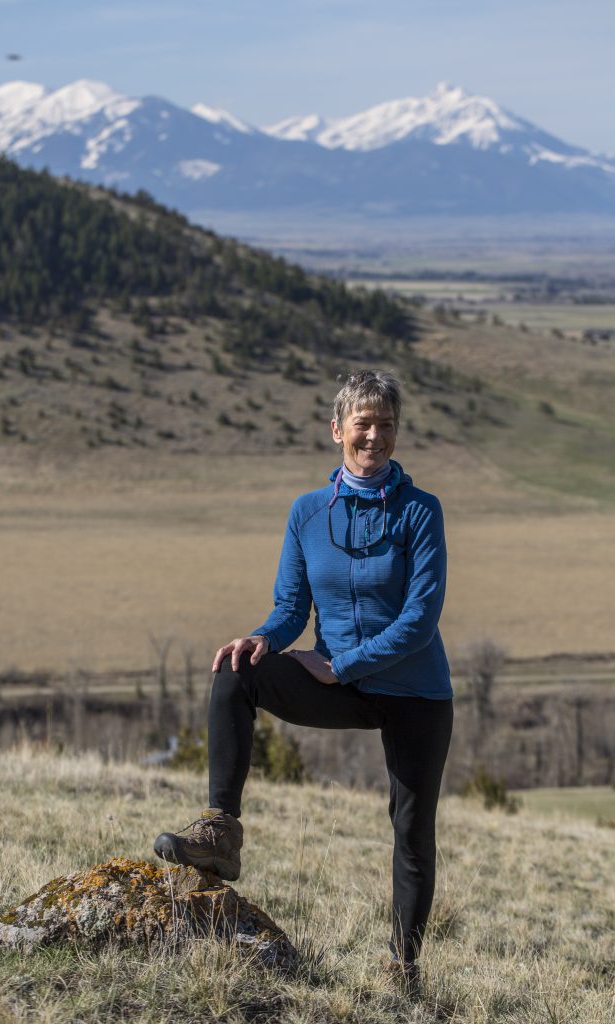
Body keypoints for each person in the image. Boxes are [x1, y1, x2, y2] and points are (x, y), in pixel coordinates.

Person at [154, 370, 453, 989]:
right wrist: (262, 637)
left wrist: (341, 663)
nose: (374, 436)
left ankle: (404, 965)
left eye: (386, 425)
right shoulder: (307, 512)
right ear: (337, 429)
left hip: (414, 690)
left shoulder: (421, 512)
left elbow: (420, 621)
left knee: (411, 826)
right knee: (237, 673)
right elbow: (291, 607)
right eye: (362, 424)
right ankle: (220, 831)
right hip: (337, 679)